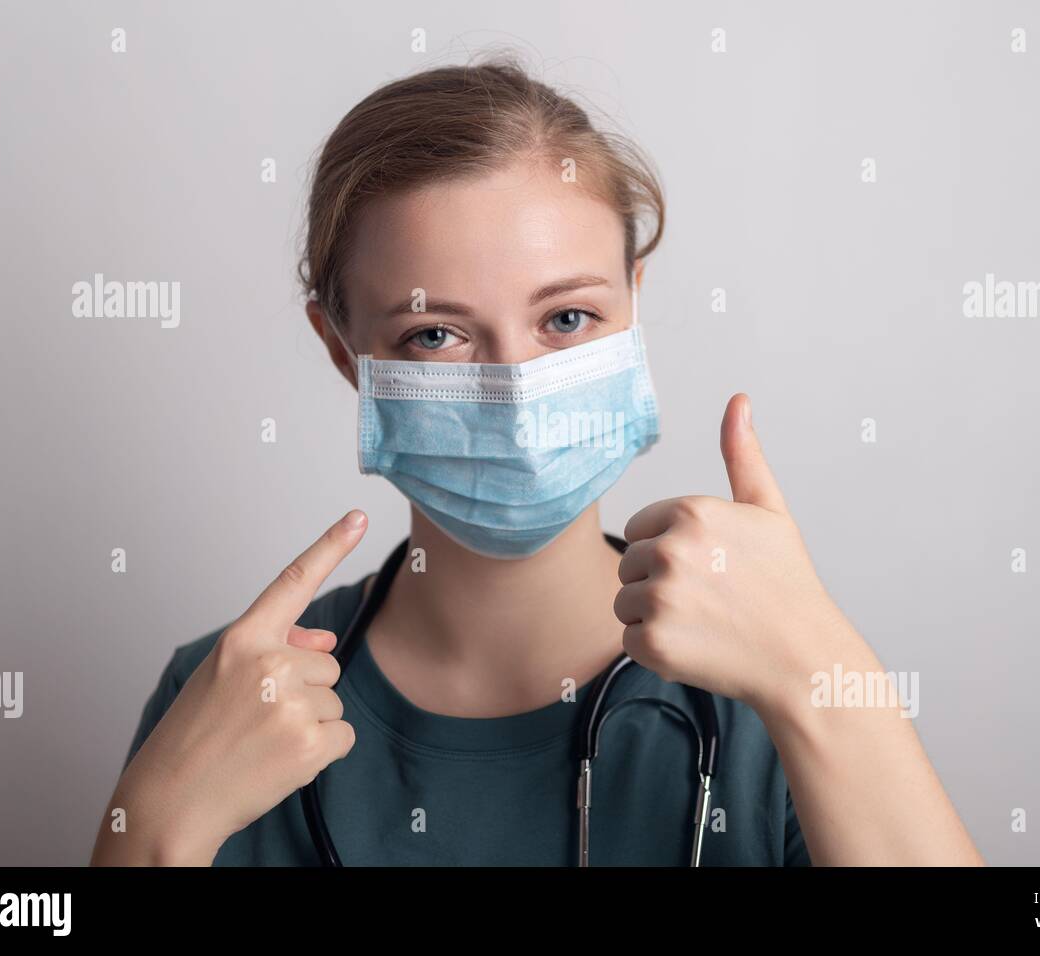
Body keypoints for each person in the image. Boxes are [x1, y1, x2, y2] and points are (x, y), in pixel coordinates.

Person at [90, 54, 983, 867]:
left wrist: (826, 677)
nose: (516, 392)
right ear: (342, 349)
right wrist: (157, 824)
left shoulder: (770, 690)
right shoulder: (228, 702)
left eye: (567, 319)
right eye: (434, 334)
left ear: (635, 302)